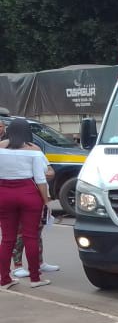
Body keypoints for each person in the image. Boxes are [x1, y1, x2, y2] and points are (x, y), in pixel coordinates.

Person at [0, 119, 59, 278]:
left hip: (5, 195)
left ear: (8, 130)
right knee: (29, 235)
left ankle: (5, 277)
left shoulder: (1, 148)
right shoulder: (33, 149)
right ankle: (33, 275)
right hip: (30, 194)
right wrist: (46, 201)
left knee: (8, 238)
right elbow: (42, 177)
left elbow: (49, 171)